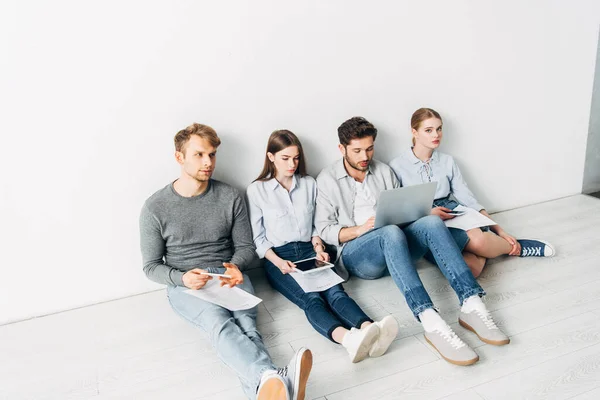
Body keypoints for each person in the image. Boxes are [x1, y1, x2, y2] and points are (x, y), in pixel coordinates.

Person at [314, 116, 510, 366]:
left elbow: (403, 214)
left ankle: (472, 303)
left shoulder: (384, 171)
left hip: (396, 245)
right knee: (389, 232)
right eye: (357, 151)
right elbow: (325, 229)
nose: (365, 155)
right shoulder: (327, 180)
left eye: (369, 148)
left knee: (430, 222)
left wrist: (421, 213)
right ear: (342, 149)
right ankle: (430, 320)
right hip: (359, 255)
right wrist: (361, 229)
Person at [139, 123, 312, 400]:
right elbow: (151, 266)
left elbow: (245, 246)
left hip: (226, 274)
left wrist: (236, 266)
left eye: (212, 155)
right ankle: (272, 377)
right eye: (199, 155)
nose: (208, 163)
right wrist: (181, 278)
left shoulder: (229, 196)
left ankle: (267, 384)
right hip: (187, 282)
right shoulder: (155, 207)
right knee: (218, 322)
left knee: (248, 325)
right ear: (179, 157)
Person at [247, 130, 398, 363]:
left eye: (296, 158)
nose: (292, 164)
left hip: (310, 251)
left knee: (336, 292)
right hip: (279, 257)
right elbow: (259, 239)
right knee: (312, 299)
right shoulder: (257, 190)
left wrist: (319, 247)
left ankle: (370, 329)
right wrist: (278, 262)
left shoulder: (309, 184)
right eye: (285, 158)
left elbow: (317, 226)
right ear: (271, 157)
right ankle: (348, 340)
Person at [389, 108, 555, 277]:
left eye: (439, 129)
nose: (436, 135)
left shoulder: (447, 161)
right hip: (423, 223)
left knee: (479, 240)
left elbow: (467, 199)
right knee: (471, 270)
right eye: (429, 130)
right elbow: (398, 212)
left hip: (451, 212)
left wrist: (500, 231)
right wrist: (427, 213)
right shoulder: (397, 166)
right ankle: (490, 249)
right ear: (414, 132)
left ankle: (516, 247)